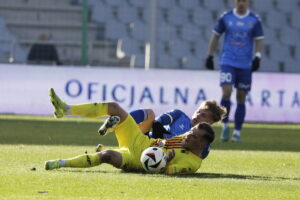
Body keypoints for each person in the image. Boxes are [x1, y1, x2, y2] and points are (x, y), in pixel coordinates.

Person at [45, 88, 216, 175]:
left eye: (192, 135)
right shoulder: (185, 130)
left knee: (107, 156)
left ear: (201, 143)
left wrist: (165, 160)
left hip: (138, 160)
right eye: (190, 132)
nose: (187, 135)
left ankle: (60, 163)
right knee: (114, 107)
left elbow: (168, 171)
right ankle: (66, 109)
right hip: (142, 140)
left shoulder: (191, 164)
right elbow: (158, 125)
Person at [205, 0, 264, 142]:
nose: (241, 3)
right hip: (228, 61)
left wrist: (257, 57)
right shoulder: (226, 17)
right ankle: (225, 126)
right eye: (238, 0)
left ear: (248, 2)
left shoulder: (254, 20)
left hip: (245, 64)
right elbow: (215, 36)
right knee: (226, 92)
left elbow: (259, 39)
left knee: (241, 96)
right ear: (234, 1)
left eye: (243, 0)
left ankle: (237, 132)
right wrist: (210, 56)